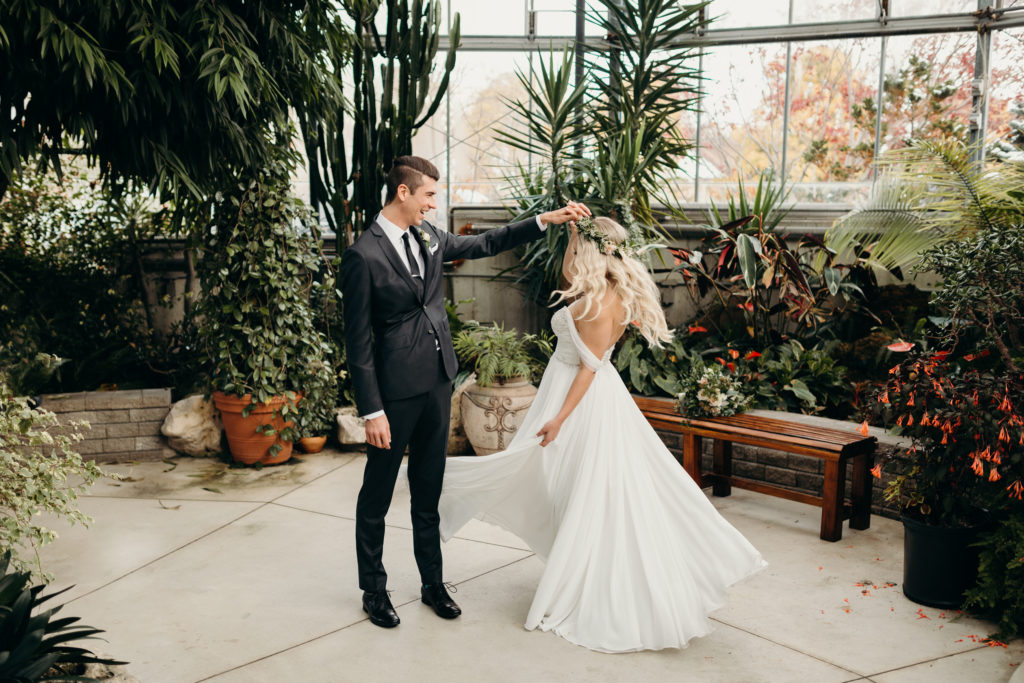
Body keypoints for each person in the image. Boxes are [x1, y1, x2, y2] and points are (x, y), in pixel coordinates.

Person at [436, 215, 767, 653]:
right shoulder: (599, 289)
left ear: (595, 253)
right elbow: (569, 273)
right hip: (575, 390)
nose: (573, 260)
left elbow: (590, 368)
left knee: (587, 490)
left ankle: (594, 578)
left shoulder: (598, 302)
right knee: (571, 486)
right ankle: (581, 562)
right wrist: (574, 233)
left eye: (580, 247)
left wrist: (560, 418)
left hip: (581, 400)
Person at [340, 155, 589, 629]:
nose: (435, 204)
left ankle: (432, 583)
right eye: (430, 195)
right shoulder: (363, 255)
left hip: (438, 383)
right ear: (404, 193)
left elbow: (485, 242)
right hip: (392, 395)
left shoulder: (430, 237)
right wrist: (371, 410)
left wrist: (544, 221)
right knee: (377, 495)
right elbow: (358, 343)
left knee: (428, 491)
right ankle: (374, 589)